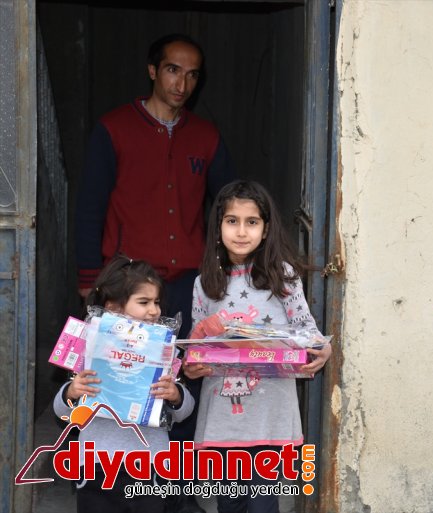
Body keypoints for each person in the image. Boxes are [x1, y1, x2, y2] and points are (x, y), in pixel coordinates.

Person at [74, 33, 235, 513]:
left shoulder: (206, 137)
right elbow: (89, 208)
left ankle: (167, 492)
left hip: (185, 285)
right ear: (152, 70)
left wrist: (228, 278)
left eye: (192, 74)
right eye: (172, 70)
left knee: (178, 385)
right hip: (125, 287)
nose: (182, 82)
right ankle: (100, 488)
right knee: (108, 383)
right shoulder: (114, 129)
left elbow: (228, 206)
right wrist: (89, 282)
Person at [183, 180, 332, 512]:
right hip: (225, 414)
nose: (241, 231)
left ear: (265, 230)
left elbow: (308, 331)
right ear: (218, 226)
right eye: (232, 221)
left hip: (271, 410)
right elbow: (196, 346)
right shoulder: (204, 284)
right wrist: (191, 365)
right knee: (230, 505)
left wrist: (323, 350)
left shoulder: (283, 276)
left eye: (252, 222)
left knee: (265, 504)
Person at [53, 255, 194, 513]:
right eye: (144, 302)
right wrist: (71, 392)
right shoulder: (89, 351)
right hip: (96, 466)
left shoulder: (164, 352)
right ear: (114, 308)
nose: (155, 310)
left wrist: (176, 396)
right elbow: (62, 413)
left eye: (157, 302)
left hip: (150, 465)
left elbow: (184, 412)